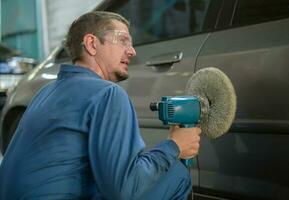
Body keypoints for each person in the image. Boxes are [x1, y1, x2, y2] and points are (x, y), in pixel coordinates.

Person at [0, 11, 201, 200]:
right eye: (123, 40)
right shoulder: (107, 93)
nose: (132, 51)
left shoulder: (44, 92)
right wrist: (174, 145)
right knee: (177, 175)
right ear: (92, 44)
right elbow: (124, 190)